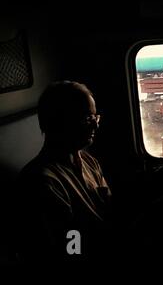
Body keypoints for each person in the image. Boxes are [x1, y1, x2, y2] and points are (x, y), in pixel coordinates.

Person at [16, 81, 112, 262]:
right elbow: (68, 252)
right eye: (87, 119)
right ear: (59, 121)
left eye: (95, 118)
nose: (95, 126)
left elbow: (109, 209)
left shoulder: (89, 161)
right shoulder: (42, 182)